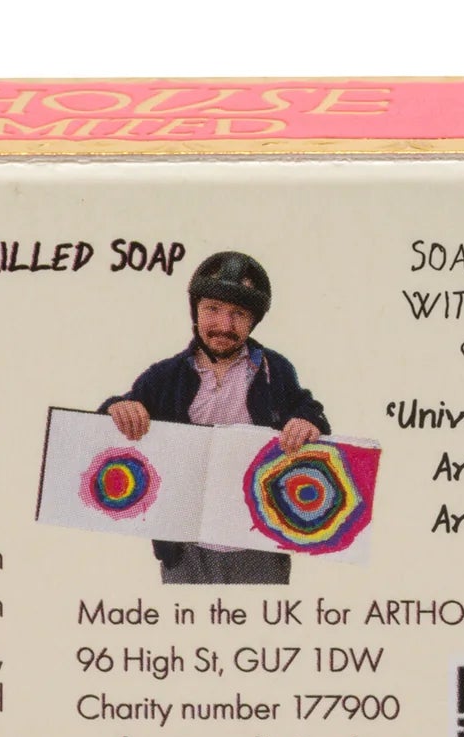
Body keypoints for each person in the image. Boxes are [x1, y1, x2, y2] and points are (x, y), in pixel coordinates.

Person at [100, 250, 330, 584]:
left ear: (254, 320)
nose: (224, 325)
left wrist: (309, 422)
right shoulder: (165, 376)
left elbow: (309, 411)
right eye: (213, 309)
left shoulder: (274, 371)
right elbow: (110, 429)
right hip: (184, 547)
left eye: (239, 313)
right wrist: (117, 407)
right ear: (195, 309)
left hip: (258, 545)